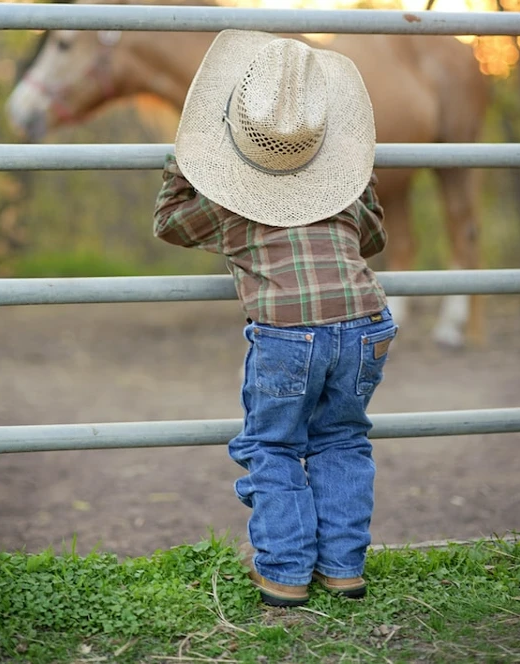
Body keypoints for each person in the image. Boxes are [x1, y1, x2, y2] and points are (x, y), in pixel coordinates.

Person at [153, 29, 397, 607]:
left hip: (289, 335)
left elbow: (168, 222)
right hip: (367, 321)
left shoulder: (223, 201)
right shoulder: (342, 193)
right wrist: (353, 178)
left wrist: (185, 161)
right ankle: (343, 569)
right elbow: (377, 237)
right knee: (342, 439)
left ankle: (285, 572)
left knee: (274, 445)